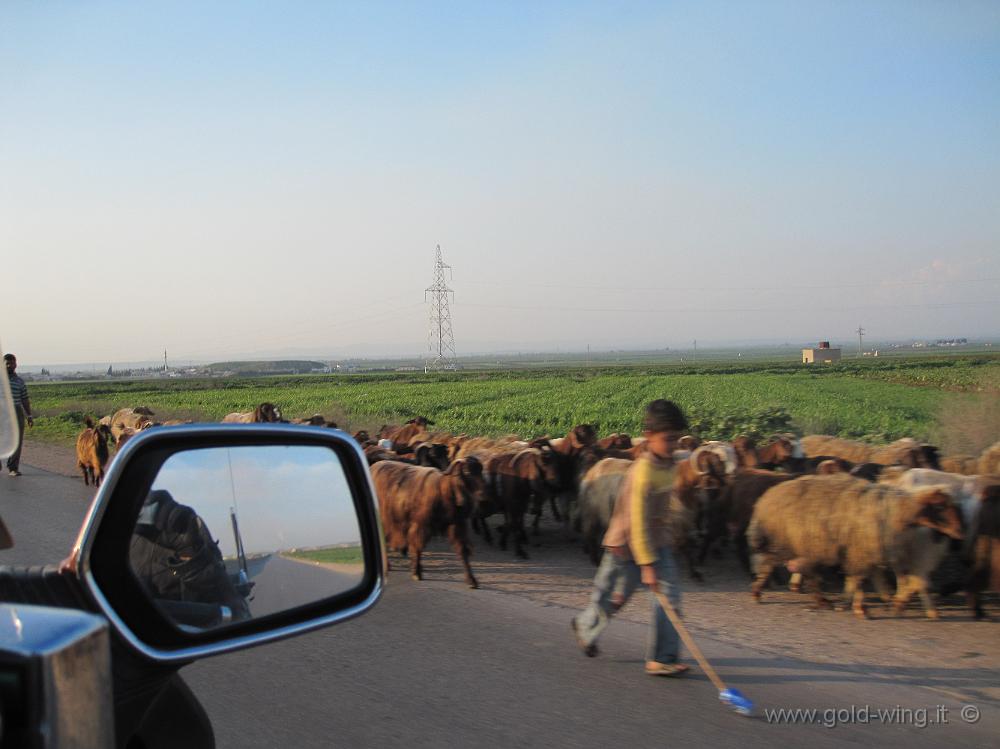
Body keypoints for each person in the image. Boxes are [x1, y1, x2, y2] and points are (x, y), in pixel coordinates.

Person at [571, 399, 690, 677]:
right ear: (649, 436)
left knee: (670, 597)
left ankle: (662, 658)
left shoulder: (670, 464)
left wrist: (668, 538)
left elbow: (663, 509)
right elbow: (636, 521)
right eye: (668, 439)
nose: (673, 445)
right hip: (625, 545)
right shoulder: (642, 471)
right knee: (614, 598)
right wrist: (647, 565)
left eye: (676, 439)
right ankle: (585, 626)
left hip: (657, 541)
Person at [4, 353, 33, 476]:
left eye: (12, 363)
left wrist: (29, 416)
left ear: (16, 364)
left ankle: (13, 468)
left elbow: (24, 399)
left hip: (16, 411)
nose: (10, 365)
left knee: (17, 440)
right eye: (7, 363)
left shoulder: (19, 381)